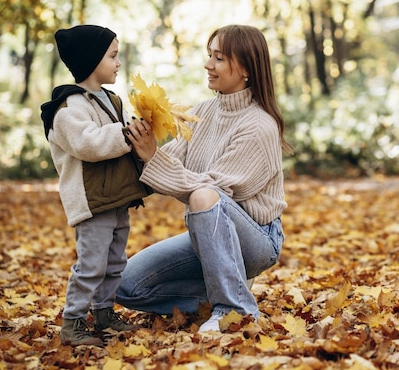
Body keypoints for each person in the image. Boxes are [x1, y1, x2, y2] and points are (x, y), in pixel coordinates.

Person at [117, 24, 291, 332]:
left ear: (246, 68)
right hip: (207, 237)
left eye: (219, 58)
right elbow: (169, 159)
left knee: (203, 195)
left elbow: (213, 189)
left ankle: (233, 308)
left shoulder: (260, 126)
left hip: (256, 239)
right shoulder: (203, 111)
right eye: (209, 55)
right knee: (126, 285)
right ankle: (229, 288)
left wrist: (152, 158)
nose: (208, 65)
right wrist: (138, 146)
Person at [40, 25, 151, 346]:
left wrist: (142, 130)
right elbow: (88, 144)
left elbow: (126, 135)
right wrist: (126, 134)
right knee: (90, 264)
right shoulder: (67, 108)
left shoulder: (113, 100)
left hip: (116, 195)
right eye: (113, 56)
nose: (119, 63)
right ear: (91, 60)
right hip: (91, 200)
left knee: (116, 261)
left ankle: (104, 312)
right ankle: (72, 322)